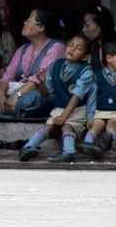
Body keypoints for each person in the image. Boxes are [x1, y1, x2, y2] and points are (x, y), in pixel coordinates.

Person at [0, 9, 65, 120]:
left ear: (41, 28)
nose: (24, 23)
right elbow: (7, 77)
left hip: (38, 93)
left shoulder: (56, 47)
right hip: (16, 92)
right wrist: (0, 94)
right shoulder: (23, 49)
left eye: (29, 21)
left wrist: (17, 95)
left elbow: (37, 80)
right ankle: (12, 112)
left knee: (34, 99)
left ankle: (3, 112)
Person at [18, 34, 95, 163]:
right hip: (60, 108)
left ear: (85, 56)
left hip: (78, 109)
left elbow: (76, 96)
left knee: (67, 126)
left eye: (78, 48)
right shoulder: (55, 65)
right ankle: (27, 148)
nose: (72, 49)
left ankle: (69, 152)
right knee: (48, 127)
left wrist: (64, 116)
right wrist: (41, 81)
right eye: (70, 45)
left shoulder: (86, 71)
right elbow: (45, 93)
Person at [77, 40, 116, 159]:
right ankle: (87, 145)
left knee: (112, 124)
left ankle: (105, 146)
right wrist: (90, 115)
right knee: (96, 125)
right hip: (100, 111)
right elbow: (92, 97)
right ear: (109, 58)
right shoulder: (97, 75)